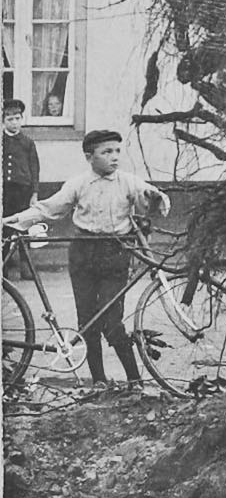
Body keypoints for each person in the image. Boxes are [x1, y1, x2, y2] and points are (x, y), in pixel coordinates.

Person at [3, 130, 171, 385]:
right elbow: (50, 208)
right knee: (88, 322)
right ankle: (99, 381)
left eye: (117, 151)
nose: (114, 157)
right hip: (83, 254)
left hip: (116, 254)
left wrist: (158, 198)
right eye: (106, 152)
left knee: (113, 322)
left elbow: (150, 197)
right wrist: (15, 220)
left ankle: (135, 381)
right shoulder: (78, 184)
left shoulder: (128, 182)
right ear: (89, 157)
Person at [3, 99, 41, 281]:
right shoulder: (2, 142)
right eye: (10, 119)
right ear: (3, 121)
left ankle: (27, 268)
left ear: (22, 119)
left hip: (23, 192)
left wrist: (34, 193)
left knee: (24, 227)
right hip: (5, 192)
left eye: (17, 118)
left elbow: (34, 169)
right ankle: (3, 268)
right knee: (4, 229)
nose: (14, 122)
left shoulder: (27, 142)